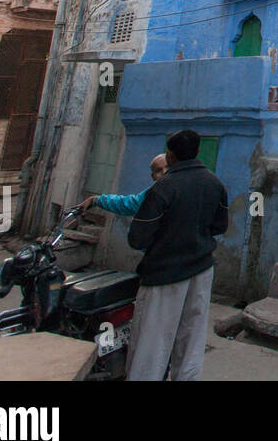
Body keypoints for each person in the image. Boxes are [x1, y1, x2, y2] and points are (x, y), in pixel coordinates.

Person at [126, 130, 228, 381]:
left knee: (152, 342)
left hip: (165, 274)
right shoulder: (215, 184)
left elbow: (137, 237)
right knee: (191, 339)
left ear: (170, 155)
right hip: (202, 270)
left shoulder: (164, 187)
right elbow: (220, 226)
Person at [77, 153, 168, 217]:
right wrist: (95, 200)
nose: (164, 172)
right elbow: (128, 204)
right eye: (158, 170)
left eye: (168, 167)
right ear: (153, 176)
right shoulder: (154, 194)